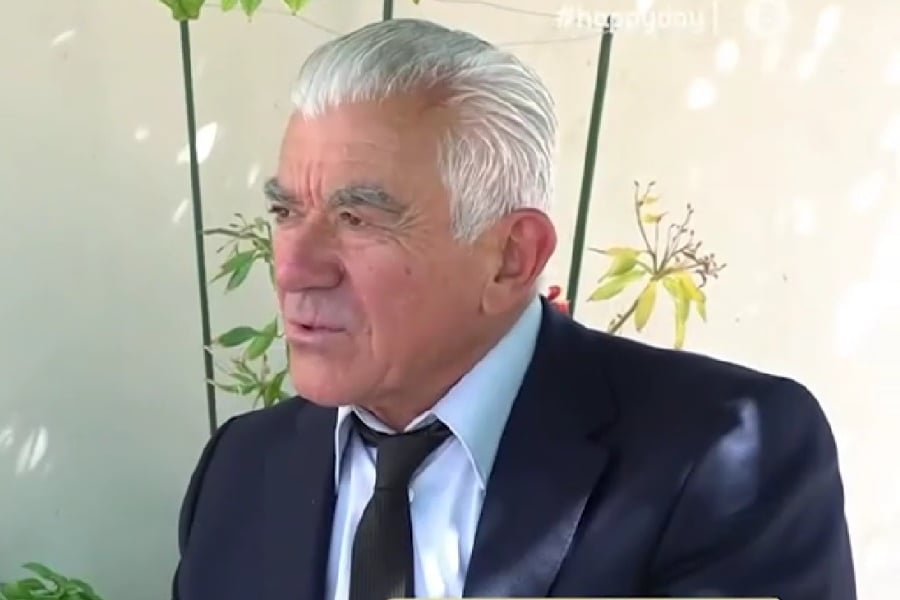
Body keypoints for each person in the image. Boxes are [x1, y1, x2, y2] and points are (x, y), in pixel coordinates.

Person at [171, 18, 856, 600]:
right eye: (286, 212)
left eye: (357, 219)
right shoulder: (241, 469)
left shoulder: (718, 454)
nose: (293, 269)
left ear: (511, 257)